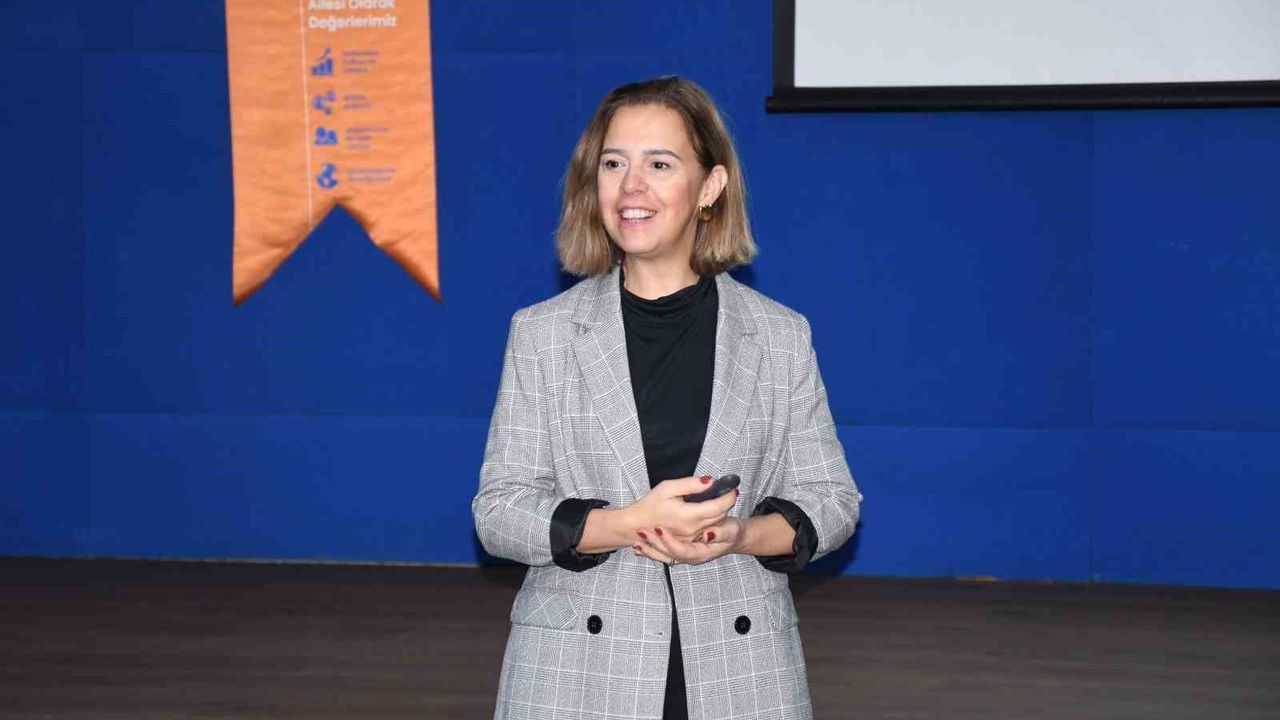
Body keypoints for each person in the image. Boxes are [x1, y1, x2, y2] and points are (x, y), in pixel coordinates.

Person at [473, 76, 861, 720]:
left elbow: (833, 502)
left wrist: (738, 535)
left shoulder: (779, 335)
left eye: (659, 164)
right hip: (576, 674)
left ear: (709, 187)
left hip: (741, 671)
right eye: (613, 164)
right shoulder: (542, 333)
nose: (631, 186)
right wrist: (626, 523)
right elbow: (499, 512)